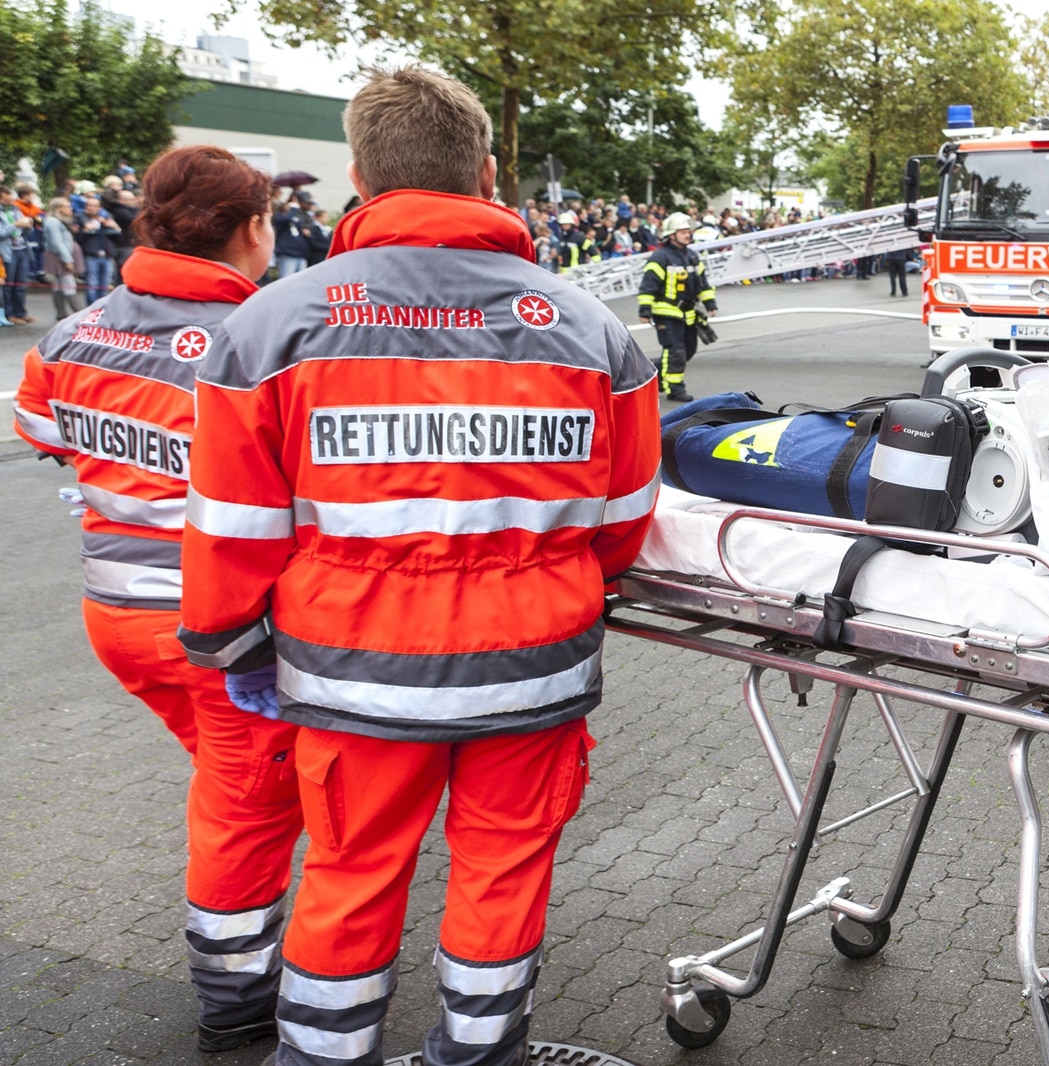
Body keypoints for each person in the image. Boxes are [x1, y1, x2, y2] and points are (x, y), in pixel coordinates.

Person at [176, 65, 660, 1066]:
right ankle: (479, 1054)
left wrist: (229, 646)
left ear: (360, 176)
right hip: (534, 669)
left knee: (349, 873)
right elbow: (622, 521)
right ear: (487, 173)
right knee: (501, 875)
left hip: (349, 674)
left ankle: (320, 1055)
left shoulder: (269, 327)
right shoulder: (591, 330)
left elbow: (232, 527)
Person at [10, 145, 304, 1055]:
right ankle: (235, 992)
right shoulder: (259, 337)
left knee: (231, 778)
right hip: (216, 627)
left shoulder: (76, 330)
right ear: (253, 229)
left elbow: (42, 432)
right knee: (246, 801)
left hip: (116, 617)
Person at [637, 211, 716, 402]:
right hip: (666, 312)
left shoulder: (692, 256)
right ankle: (675, 389)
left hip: (688, 312)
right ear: (671, 235)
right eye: (683, 232)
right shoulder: (660, 257)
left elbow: (703, 283)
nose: (688, 234)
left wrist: (710, 303)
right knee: (676, 351)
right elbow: (649, 284)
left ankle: (653, 377)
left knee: (688, 349)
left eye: (688, 231)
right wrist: (645, 309)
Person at [40, 197, 82, 320]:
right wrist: (67, 259)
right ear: (58, 208)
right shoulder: (53, 222)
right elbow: (57, 243)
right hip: (60, 257)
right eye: (67, 206)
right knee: (69, 284)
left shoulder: (60, 221)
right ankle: (80, 314)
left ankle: (61, 313)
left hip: (61, 256)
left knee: (59, 285)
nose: (70, 209)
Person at [75, 194, 120, 303]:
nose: (91, 208)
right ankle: (91, 309)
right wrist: (87, 230)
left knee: (105, 284)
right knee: (92, 284)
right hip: (91, 255)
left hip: (107, 255)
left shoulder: (107, 217)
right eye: (89, 205)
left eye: (94, 206)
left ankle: (101, 309)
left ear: (100, 208)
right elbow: (79, 238)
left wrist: (115, 227)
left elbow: (118, 237)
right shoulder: (80, 218)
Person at [0, 186, 35, 323]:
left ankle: (22, 313)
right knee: (9, 286)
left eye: (12, 199)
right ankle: (10, 315)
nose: (11, 202)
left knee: (21, 284)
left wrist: (28, 225)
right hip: (8, 252)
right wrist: (16, 224)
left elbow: (26, 231)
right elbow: (1, 233)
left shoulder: (15, 209)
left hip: (22, 249)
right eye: (8, 200)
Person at [271, 191, 315, 276]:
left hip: (302, 254)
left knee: (301, 281)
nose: (309, 205)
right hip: (288, 253)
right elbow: (282, 220)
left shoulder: (306, 216)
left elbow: (311, 230)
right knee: (286, 279)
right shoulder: (287, 214)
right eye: (307, 203)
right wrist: (293, 208)